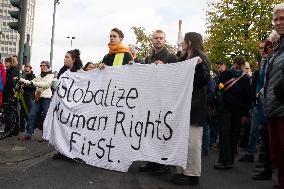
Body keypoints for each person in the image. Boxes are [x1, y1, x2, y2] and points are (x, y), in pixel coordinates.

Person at [172, 32, 211, 185]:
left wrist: (200, 66)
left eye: (184, 41)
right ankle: (182, 171)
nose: (181, 43)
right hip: (183, 106)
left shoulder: (202, 58)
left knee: (193, 142)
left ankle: (192, 174)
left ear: (189, 41)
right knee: (182, 141)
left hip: (195, 107)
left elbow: (204, 81)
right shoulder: (182, 59)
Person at [138, 30, 178, 175]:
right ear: (152, 40)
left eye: (161, 38)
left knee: (163, 132)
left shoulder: (172, 57)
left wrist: (165, 68)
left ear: (165, 40)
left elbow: (178, 77)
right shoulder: (148, 58)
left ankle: (164, 164)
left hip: (166, 101)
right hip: (152, 100)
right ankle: (152, 161)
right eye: (156, 38)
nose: (158, 40)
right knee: (152, 131)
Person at [214, 55, 251, 170]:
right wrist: (245, 113)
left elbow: (218, 89)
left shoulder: (226, 74)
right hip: (238, 110)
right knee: (233, 135)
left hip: (226, 108)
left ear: (234, 63)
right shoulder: (245, 78)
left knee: (225, 134)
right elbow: (247, 97)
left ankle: (223, 160)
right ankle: (229, 161)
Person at [264, 3, 284, 188]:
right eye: (276, 19)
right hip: (273, 109)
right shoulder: (278, 50)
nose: (278, 22)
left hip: (282, 108)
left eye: (282, 18)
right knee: (277, 156)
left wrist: (279, 90)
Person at [53, 49, 83, 160]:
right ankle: (62, 150)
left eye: (67, 57)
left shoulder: (80, 73)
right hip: (62, 106)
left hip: (74, 107)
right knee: (62, 128)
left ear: (73, 59)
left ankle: (73, 152)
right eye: (64, 57)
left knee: (72, 130)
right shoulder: (63, 72)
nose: (64, 59)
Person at [18, 61, 54, 140]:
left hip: (46, 99)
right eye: (41, 65)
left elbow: (45, 84)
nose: (42, 67)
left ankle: (45, 135)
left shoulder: (50, 75)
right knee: (31, 115)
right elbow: (31, 82)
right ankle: (28, 134)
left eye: (44, 66)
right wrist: (21, 80)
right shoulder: (39, 76)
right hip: (38, 98)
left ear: (48, 67)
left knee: (45, 117)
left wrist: (32, 82)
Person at [3, 57, 19, 136]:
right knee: (9, 113)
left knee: (9, 113)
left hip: (9, 94)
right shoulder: (9, 71)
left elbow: (10, 83)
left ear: (10, 63)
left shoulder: (12, 71)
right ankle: (9, 131)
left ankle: (9, 131)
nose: (5, 63)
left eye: (6, 62)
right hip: (8, 94)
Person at [19, 65, 36, 131]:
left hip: (30, 97)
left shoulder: (33, 77)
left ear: (31, 70)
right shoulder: (26, 76)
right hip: (25, 96)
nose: (26, 72)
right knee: (22, 112)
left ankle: (30, 128)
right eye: (25, 71)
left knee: (29, 113)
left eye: (27, 71)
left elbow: (34, 87)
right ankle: (22, 127)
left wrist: (25, 85)